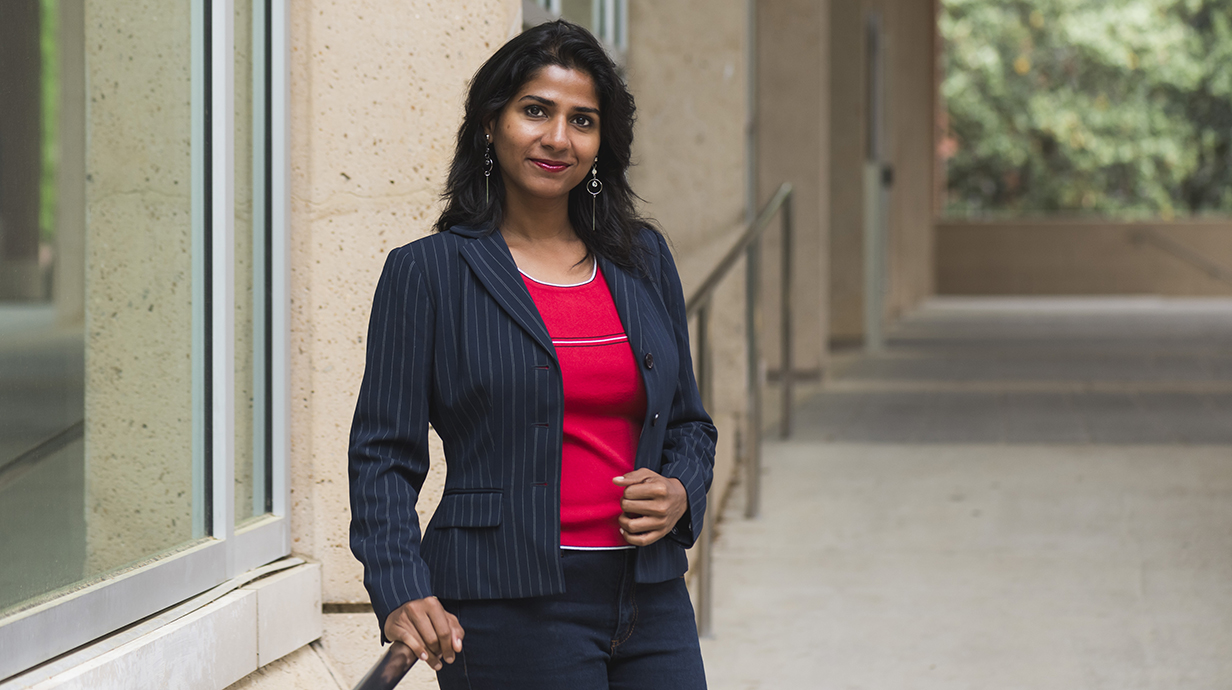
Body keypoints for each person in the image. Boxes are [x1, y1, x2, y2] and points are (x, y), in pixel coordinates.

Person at [348, 19, 716, 690]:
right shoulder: (429, 273)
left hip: (651, 594)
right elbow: (383, 453)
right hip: (504, 603)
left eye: (583, 120)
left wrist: (679, 491)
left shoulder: (642, 259)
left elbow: (689, 422)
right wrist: (399, 586)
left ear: (602, 144)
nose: (558, 138)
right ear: (491, 123)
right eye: (536, 111)